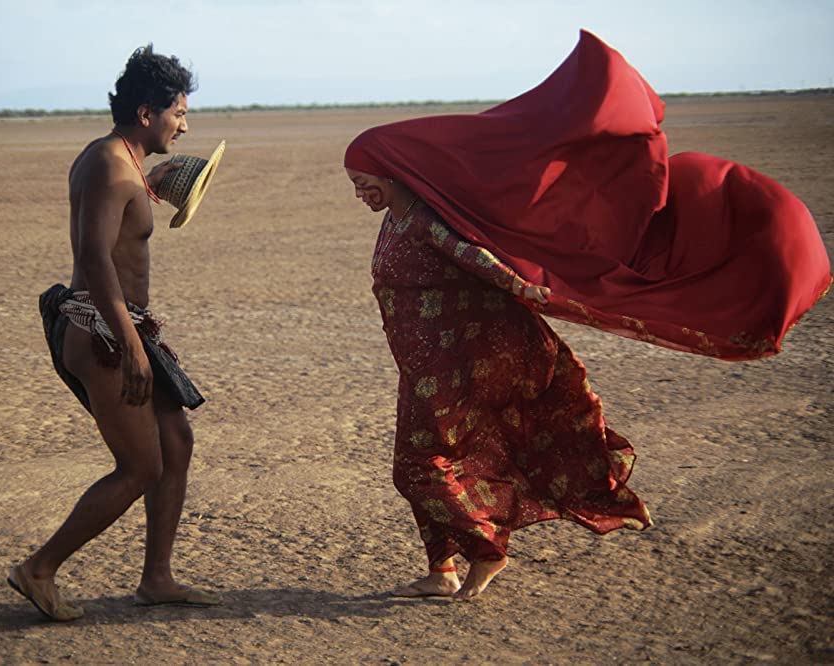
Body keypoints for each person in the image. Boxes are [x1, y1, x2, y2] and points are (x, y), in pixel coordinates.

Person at [343, 31, 830, 601]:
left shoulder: (428, 221)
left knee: (418, 466)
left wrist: (532, 289)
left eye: (363, 182)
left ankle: (485, 551)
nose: (360, 194)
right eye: (355, 186)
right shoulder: (397, 220)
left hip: (465, 363)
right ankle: (441, 571)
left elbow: (478, 259)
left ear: (390, 172)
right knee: (437, 460)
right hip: (424, 367)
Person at [7, 44, 220, 621]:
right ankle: (39, 569)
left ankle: (157, 579)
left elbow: (118, 227)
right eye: (178, 113)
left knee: (176, 443)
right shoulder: (108, 164)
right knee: (140, 466)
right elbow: (95, 258)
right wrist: (130, 346)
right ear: (147, 112)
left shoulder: (120, 162)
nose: (184, 125)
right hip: (102, 331)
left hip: (122, 325)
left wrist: (151, 185)